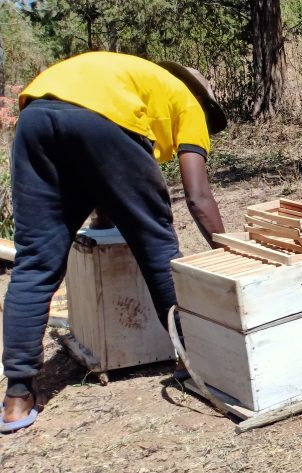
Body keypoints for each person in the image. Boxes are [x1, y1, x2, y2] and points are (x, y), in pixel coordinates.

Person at [3, 51, 228, 433]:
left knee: (36, 262)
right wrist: (229, 251)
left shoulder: (127, 77)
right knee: (157, 244)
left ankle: (16, 398)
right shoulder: (188, 101)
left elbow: (101, 181)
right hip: (100, 124)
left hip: (35, 116)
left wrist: (106, 216)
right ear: (203, 101)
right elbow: (197, 196)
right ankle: (192, 361)